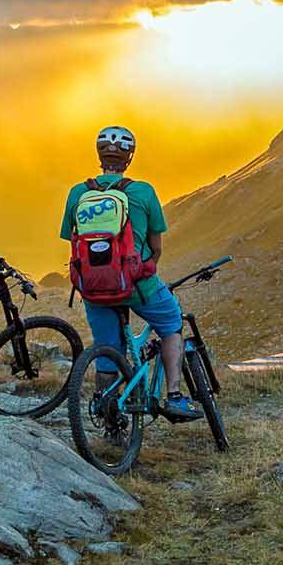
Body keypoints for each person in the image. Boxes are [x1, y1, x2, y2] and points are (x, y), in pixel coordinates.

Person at [60, 125, 199, 421]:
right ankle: (174, 396)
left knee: (107, 348)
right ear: (129, 158)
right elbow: (155, 246)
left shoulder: (78, 193)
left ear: (99, 156)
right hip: (138, 285)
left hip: (93, 287)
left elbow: (70, 238)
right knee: (171, 324)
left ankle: (108, 415)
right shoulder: (143, 191)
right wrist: (143, 267)